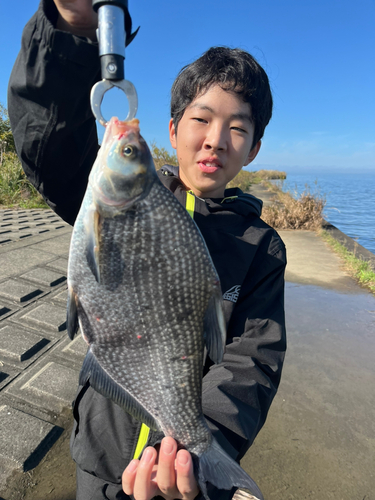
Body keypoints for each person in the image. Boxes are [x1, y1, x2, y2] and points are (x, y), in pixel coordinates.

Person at [8, 1, 287, 499]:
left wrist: (201, 443)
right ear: (175, 129)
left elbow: (251, 362)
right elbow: (49, 146)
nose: (216, 140)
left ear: (254, 149)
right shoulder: (122, 200)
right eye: (201, 119)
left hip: (181, 474)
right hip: (99, 450)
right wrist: (72, 28)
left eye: (238, 128)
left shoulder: (261, 249)